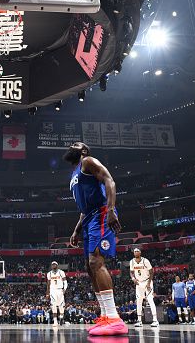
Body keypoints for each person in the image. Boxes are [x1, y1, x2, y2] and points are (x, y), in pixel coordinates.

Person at [64, 142, 128, 336]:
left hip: (101, 213)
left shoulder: (88, 161)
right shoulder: (74, 175)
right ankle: (105, 317)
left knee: (96, 262)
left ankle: (115, 318)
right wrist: (76, 230)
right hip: (89, 217)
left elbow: (110, 180)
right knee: (89, 267)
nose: (70, 145)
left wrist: (110, 209)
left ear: (84, 151)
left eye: (75, 144)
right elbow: (84, 210)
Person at [129, 248, 159, 328]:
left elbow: (151, 272)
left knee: (150, 300)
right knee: (139, 301)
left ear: (140, 252)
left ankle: (155, 320)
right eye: (134, 251)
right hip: (138, 283)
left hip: (147, 282)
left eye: (137, 251)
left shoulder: (145, 261)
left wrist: (149, 283)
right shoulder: (132, 261)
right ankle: (139, 321)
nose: (136, 252)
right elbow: (131, 272)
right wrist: (133, 279)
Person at [46, 261, 67, 327]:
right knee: (53, 305)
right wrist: (47, 293)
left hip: (60, 289)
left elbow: (65, 282)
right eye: (52, 265)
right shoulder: (49, 274)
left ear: (57, 265)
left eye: (55, 264)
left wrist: (64, 289)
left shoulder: (61, 272)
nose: (53, 265)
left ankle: (61, 317)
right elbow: (48, 284)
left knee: (61, 305)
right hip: (53, 290)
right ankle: (55, 321)